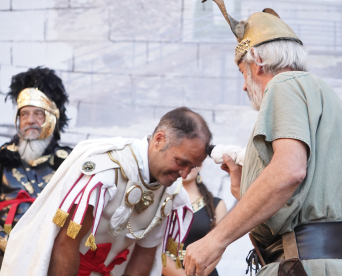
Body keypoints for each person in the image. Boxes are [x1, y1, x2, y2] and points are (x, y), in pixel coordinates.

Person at [183, 1, 342, 276]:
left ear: (257, 62)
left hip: (306, 268)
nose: (244, 85)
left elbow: (290, 171)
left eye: (241, 71)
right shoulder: (327, 100)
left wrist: (214, 239)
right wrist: (244, 191)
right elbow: (301, 201)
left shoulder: (284, 84)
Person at [0, 107, 212, 276]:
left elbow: (145, 254)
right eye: (181, 162)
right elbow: (66, 242)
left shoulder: (172, 194)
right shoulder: (105, 172)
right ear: (159, 140)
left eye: (191, 167)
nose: (184, 175)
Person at [0, 67, 72, 262]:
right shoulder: (2, 158)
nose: (30, 120)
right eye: (24, 114)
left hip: (50, 256)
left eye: (38, 114)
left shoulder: (70, 162)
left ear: (52, 118)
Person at [162, 166, 227, 276]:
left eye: (191, 162)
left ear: (200, 165)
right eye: (182, 162)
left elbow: (220, 245)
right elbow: (152, 246)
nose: (186, 167)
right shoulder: (161, 202)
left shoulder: (216, 205)